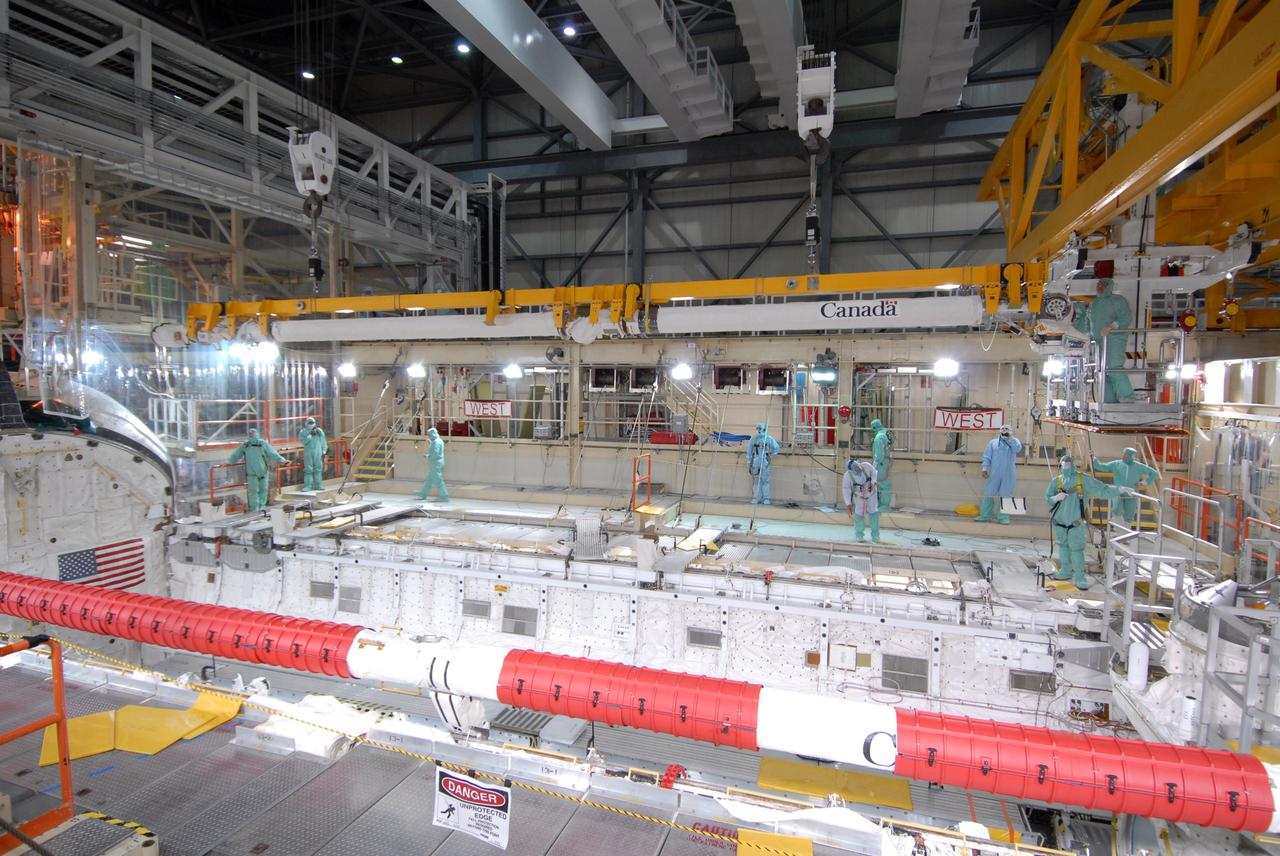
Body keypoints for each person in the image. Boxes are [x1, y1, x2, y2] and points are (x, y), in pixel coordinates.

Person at [1045, 455, 1136, 590]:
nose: (1065, 467)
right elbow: (1047, 497)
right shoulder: (1056, 482)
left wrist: (1119, 489)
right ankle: (1065, 570)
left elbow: (1102, 489)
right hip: (1060, 523)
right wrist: (1055, 498)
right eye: (1063, 465)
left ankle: (1080, 577)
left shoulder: (1083, 480)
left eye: (1067, 465)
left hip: (1075, 523)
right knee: (1062, 546)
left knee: (1076, 550)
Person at [1073, 277, 1133, 403]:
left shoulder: (1118, 301)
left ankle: (1126, 397)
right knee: (1102, 371)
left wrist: (1112, 326)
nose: (1100, 287)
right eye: (1099, 284)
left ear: (1109, 287)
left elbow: (1125, 317)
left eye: (1103, 285)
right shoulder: (1094, 304)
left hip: (1114, 339)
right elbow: (1088, 322)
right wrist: (1086, 336)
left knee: (1114, 367)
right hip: (1097, 341)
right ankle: (1109, 400)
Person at [1092, 448, 1158, 526]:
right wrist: (1093, 458)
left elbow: (1154, 473)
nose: (1123, 455)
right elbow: (1101, 466)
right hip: (1119, 491)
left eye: (1126, 454)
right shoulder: (1116, 464)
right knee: (1117, 509)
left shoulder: (1138, 466)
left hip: (1132, 493)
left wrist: (1144, 482)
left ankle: (1125, 532)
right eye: (1123, 453)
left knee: (1129, 513)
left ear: (1131, 456)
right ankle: (1117, 530)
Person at [228, 427, 285, 512]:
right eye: (250, 434)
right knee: (253, 492)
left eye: (252, 434)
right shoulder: (245, 445)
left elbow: (272, 453)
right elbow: (236, 454)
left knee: (263, 490)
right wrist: (230, 461)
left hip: (263, 472)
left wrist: (281, 460)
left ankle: (261, 508)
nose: (251, 435)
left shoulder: (262, 443)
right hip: (252, 474)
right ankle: (255, 509)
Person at [977, 425, 1023, 524]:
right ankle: (984, 515)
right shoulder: (993, 443)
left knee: (1006, 494)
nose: (1005, 432)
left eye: (1007, 430)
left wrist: (1010, 438)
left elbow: (1017, 449)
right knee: (989, 492)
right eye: (1003, 430)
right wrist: (985, 468)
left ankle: (1003, 517)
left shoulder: (1015, 441)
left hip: (1009, 472)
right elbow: (987, 456)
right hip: (995, 472)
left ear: (1011, 431)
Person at [842, 459, 880, 542]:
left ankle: (875, 535)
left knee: (874, 513)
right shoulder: (848, 476)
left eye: (858, 465)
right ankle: (859, 536)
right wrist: (848, 504)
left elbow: (874, 472)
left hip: (871, 494)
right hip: (859, 496)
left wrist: (873, 482)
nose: (858, 468)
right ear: (852, 470)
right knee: (859, 515)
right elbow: (846, 489)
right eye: (855, 467)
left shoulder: (866, 465)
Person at [746, 422, 780, 505]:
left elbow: (776, 448)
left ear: (764, 429)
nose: (758, 431)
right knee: (756, 481)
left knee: (765, 480)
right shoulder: (754, 438)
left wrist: (770, 456)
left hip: (765, 462)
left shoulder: (768, 438)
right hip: (756, 462)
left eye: (760, 429)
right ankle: (756, 498)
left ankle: (766, 498)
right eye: (757, 429)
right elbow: (749, 450)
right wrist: (749, 461)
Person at [415, 426, 449, 501]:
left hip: (435, 463)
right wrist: (431, 443)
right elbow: (436, 450)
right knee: (429, 480)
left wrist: (427, 456)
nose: (429, 436)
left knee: (438, 480)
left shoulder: (435, 442)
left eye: (429, 435)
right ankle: (424, 493)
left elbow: (435, 454)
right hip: (438, 463)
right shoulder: (439, 440)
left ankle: (444, 496)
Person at [299, 417, 328, 492]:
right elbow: (303, 442)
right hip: (308, 453)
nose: (312, 425)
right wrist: (309, 436)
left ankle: (318, 485)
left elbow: (323, 441)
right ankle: (308, 486)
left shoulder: (319, 431)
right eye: (310, 423)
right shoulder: (303, 432)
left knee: (318, 469)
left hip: (318, 453)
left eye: (313, 423)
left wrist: (324, 450)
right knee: (308, 469)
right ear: (306, 424)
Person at [870, 418, 892, 512]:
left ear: (874, 427)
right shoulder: (885, 434)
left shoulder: (878, 438)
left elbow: (879, 454)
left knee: (882, 483)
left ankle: (884, 506)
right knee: (882, 484)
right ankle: (882, 504)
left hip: (881, 464)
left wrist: (874, 464)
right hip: (886, 462)